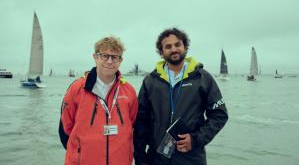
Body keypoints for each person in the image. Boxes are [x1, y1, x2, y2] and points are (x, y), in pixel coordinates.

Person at [133, 28, 228, 165]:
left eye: (178, 44)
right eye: (168, 46)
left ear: (185, 47)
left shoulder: (202, 78)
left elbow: (219, 115)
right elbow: (140, 121)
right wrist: (140, 159)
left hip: (191, 158)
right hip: (157, 158)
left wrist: (195, 139)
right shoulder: (151, 81)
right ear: (161, 52)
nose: (174, 49)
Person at [59, 36, 138, 165]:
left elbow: (133, 123)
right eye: (104, 56)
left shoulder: (129, 91)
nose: (110, 61)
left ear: (120, 60)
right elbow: (65, 128)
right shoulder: (77, 88)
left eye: (115, 57)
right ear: (95, 57)